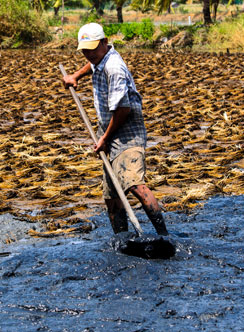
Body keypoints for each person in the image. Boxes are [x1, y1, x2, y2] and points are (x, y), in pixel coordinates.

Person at [62, 22, 168, 236]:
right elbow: (91, 66)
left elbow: (123, 110)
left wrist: (104, 138)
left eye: (91, 49)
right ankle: (122, 239)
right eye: (84, 50)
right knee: (111, 193)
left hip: (126, 129)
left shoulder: (114, 67)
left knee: (133, 184)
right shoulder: (99, 58)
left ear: (104, 42)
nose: (88, 54)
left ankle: (163, 236)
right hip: (108, 127)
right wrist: (74, 76)